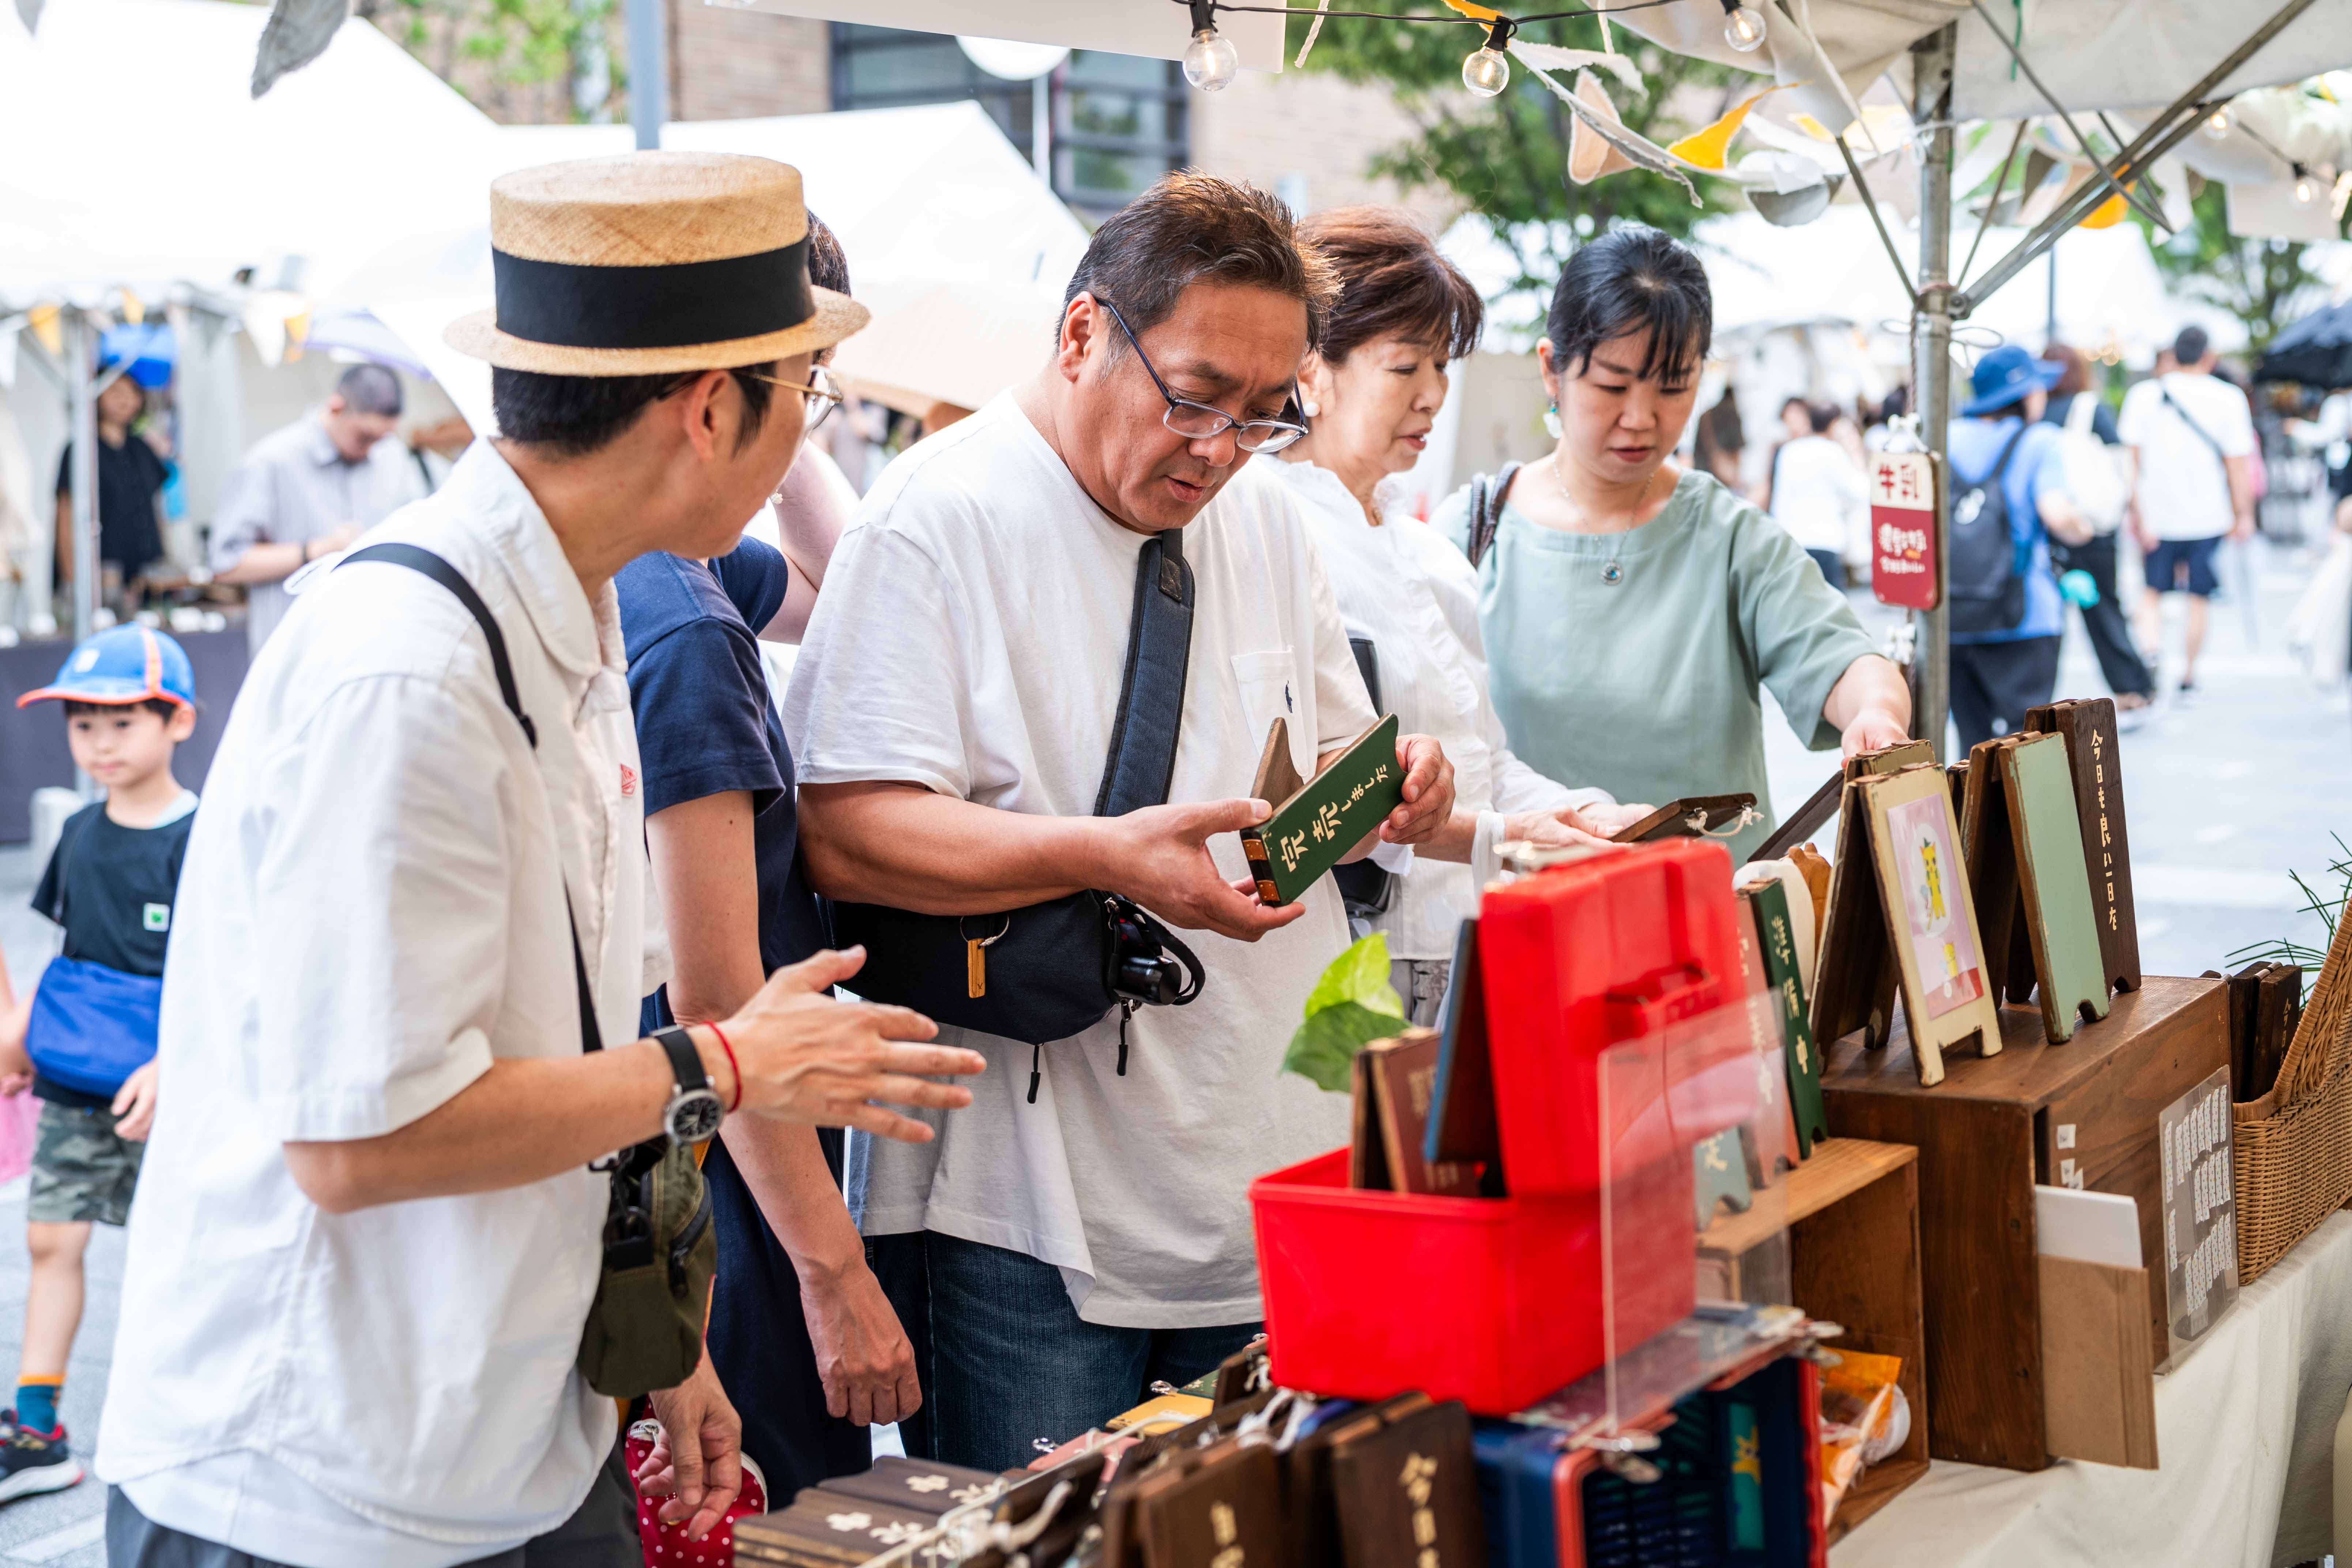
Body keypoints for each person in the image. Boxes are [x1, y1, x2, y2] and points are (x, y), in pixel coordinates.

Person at [95, 152, 987, 1568]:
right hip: (320, 1475)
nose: (804, 437)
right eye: (804, 398)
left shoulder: (578, 615)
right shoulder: (413, 666)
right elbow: (360, 1137)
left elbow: (565, 1043)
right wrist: (735, 1065)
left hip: (513, 1421)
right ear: (711, 409)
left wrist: (653, 1336)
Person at [785, 172, 1457, 1471]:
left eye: (1265, 415)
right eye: (1193, 396)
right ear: (1083, 334)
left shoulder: (1264, 508)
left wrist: (1392, 779)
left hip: (1266, 1152)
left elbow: (1316, 742)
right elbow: (847, 828)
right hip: (1024, 1203)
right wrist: (1099, 854)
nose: (1216, 446)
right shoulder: (933, 519)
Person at [615, 214, 921, 1508]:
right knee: (760, 1507)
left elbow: (846, 584)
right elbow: (717, 1003)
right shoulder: (685, 630)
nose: (820, 415)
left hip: (650, 1146)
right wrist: (834, 1268)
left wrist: (785, 410)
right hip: (718, 1172)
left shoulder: (640, 564)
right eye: (812, 384)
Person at [1269, 207, 1644, 1022]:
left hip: (1472, 940)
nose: (1435, 394)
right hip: (1349, 964)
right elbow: (1316, 798)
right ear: (1311, 370)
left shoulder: (1430, 551)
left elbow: (1484, 756)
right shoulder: (1269, 532)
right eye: (1405, 366)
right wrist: (1514, 831)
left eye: (1441, 365)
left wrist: (1581, 811)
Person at [1435, 227, 1910, 863]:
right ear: (1552, 368)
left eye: (1672, 385)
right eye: (1612, 385)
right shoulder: (1469, 533)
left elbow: (1842, 657)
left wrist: (1875, 711)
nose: (1641, 416)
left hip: (1713, 929)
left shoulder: (1729, 536)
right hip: (1525, 931)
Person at [0, 626, 192, 1502]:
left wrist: (176, 1061)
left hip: (172, 1094)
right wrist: (20, 1040)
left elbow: (224, 975)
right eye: (83, 724)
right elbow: (67, 952)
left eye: (121, 721)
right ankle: (38, 1429)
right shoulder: (77, 831)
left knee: (181, 1256)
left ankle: (187, 1421)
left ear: (177, 720)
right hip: (75, 1086)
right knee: (51, 1238)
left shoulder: (205, 836)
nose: (100, 743)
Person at [208, 362, 428, 653]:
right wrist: (317, 550)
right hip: (296, 656)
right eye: (365, 437)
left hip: (379, 647)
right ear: (336, 407)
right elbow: (226, 564)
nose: (373, 448)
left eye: (381, 438)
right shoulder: (271, 462)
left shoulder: (394, 457)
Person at [1944, 346, 2088, 751]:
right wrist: (2086, 526)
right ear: (2024, 395)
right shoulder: (2040, 441)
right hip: (2024, 617)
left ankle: (1976, 816)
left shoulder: (1945, 438)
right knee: (2028, 748)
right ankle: (2017, 818)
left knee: (1972, 746)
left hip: (1954, 618)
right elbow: (2057, 514)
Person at [2119, 325, 2257, 699]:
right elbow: (2237, 464)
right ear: (2209, 356)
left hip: (2156, 514)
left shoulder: (2143, 395)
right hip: (2208, 515)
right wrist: (2243, 513)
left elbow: (2130, 461)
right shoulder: (2228, 397)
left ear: (2174, 354)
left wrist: (2136, 511)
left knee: (2153, 591)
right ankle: (2189, 672)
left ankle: (2152, 652)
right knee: (2199, 595)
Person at [2039, 343, 2154, 716]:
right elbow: (2122, 467)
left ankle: (2037, 699)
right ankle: (2133, 687)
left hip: (2043, 528)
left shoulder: (2033, 412)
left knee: (2044, 613)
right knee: (2103, 606)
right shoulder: (2090, 408)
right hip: (2092, 529)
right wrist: (2136, 513)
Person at [53, 369, 169, 602]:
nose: (125, 400)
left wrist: (165, 562)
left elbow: (156, 508)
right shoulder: (80, 450)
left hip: (145, 575)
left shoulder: (142, 450)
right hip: (101, 577)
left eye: (132, 392)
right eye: (115, 391)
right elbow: (65, 515)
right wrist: (72, 578)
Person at [1764, 401, 1865, 589]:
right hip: (1824, 542)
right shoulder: (1833, 452)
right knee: (1831, 611)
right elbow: (1860, 492)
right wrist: (1855, 453)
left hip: (1790, 542)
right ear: (1834, 425)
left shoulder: (1789, 450)